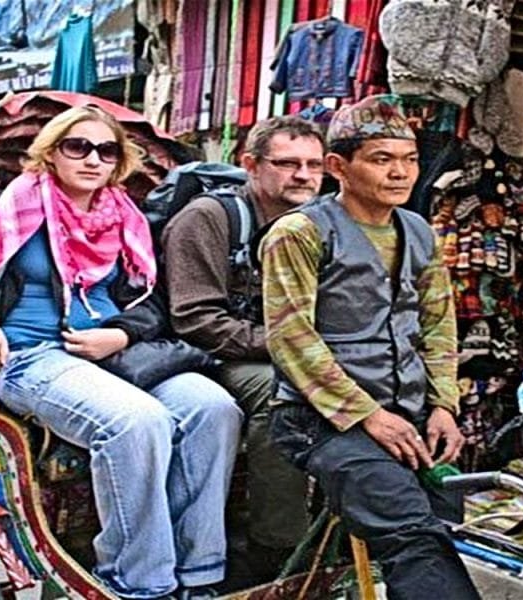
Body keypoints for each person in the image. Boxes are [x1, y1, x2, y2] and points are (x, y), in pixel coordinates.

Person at [0, 105, 242, 600]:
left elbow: (153, 300)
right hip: (34, 355)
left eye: (106, 150)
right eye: (78, 147)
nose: (92, 159)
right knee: (136, 422)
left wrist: (121, 333)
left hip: (117, 353)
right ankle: (139, 581)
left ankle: (199, 572)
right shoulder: (5, 207)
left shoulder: (128, 219)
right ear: (51, 153)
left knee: (213, 409)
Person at [258, 95, 481, 600]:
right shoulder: (299, 233)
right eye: (382, 159)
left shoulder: (418, 230)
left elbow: (438, 322)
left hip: (408, 411)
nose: (400, 173)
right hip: (321, 419)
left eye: (409, 159)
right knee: (409, 530)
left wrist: (443, 405)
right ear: (339, 166)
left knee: (448, 517)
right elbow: (291, 338)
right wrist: (366, 416)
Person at [161, 115, 324, 581]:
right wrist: (294, 350)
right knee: (283, 396)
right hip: (211, 358)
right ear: (251, 164)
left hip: (286, 349)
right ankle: (276, 550)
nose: (303, 175)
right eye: (287, 163)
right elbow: (196, 319)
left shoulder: (316, 221)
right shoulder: (209, 218)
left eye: (314, 165)